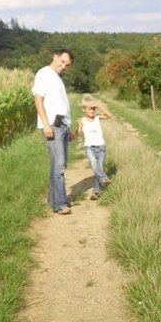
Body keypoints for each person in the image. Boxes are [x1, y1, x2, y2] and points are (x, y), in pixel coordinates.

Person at [32, 48, 75, 215]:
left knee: (60, 164)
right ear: (55, 56)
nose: (64, 66)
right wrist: (46, 124)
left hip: (62, 126)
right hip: (53, 126)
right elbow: (38, 100)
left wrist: (68, 127)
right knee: (59, 166)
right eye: (62, 61)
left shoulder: (57, 78)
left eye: (67, 64)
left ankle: (53, 199)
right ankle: (60, 204)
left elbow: (61, 105)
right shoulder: (44, 73)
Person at [76, 94, 114, 201]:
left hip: (101, 147)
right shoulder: (82, 120)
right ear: (84, 109)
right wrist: (72, 135)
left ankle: (96, 192)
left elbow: (109, 115)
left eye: (93, 109)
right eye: (90, 109)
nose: (92, 111)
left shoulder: (97, 117)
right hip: (89, 147)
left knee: (99, 168)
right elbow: (78, 133)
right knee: (93, 163)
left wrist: (98, 105)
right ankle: (104, 178)